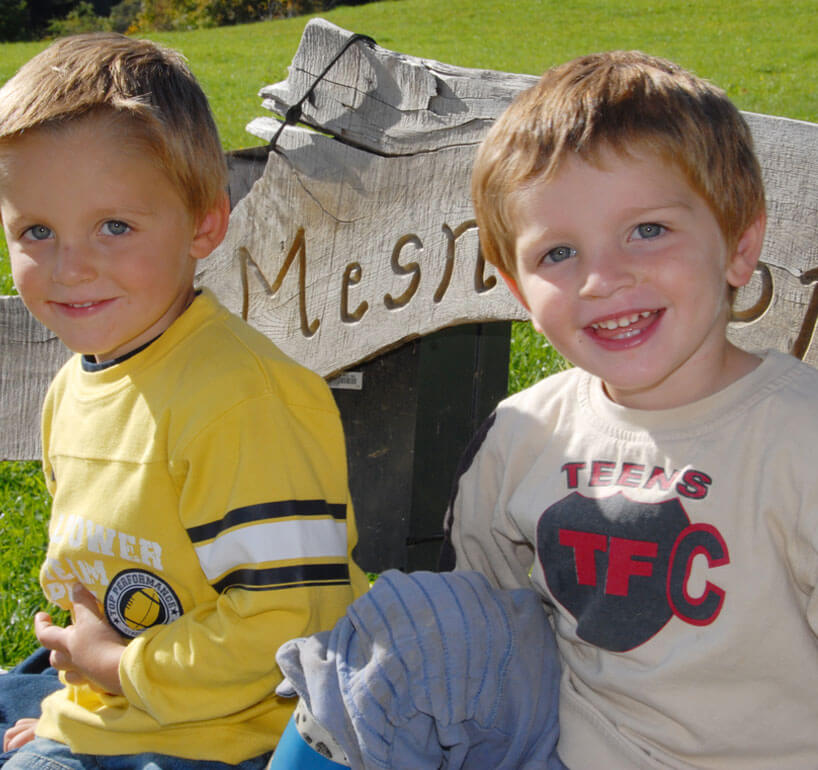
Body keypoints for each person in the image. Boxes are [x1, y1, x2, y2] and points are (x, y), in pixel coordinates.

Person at [265, 50, 818, 770]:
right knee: (410, 633)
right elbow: (483, 618)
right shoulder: (526, 432)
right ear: (519, 291)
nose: (602, 278)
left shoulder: (796, 436)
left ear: (740, 247)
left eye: (647, 230)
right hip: (557, 746)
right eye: (558, 253)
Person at [0, 33, 367, 770]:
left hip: (236, 743)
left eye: (114, 226)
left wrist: (117, 672)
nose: (70, 265)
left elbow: (292, 627)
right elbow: (98, 587)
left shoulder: (241, 401)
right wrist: (78, 708)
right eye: (36, 231)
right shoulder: (77, 387)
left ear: (205, 224)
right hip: (124, 717)